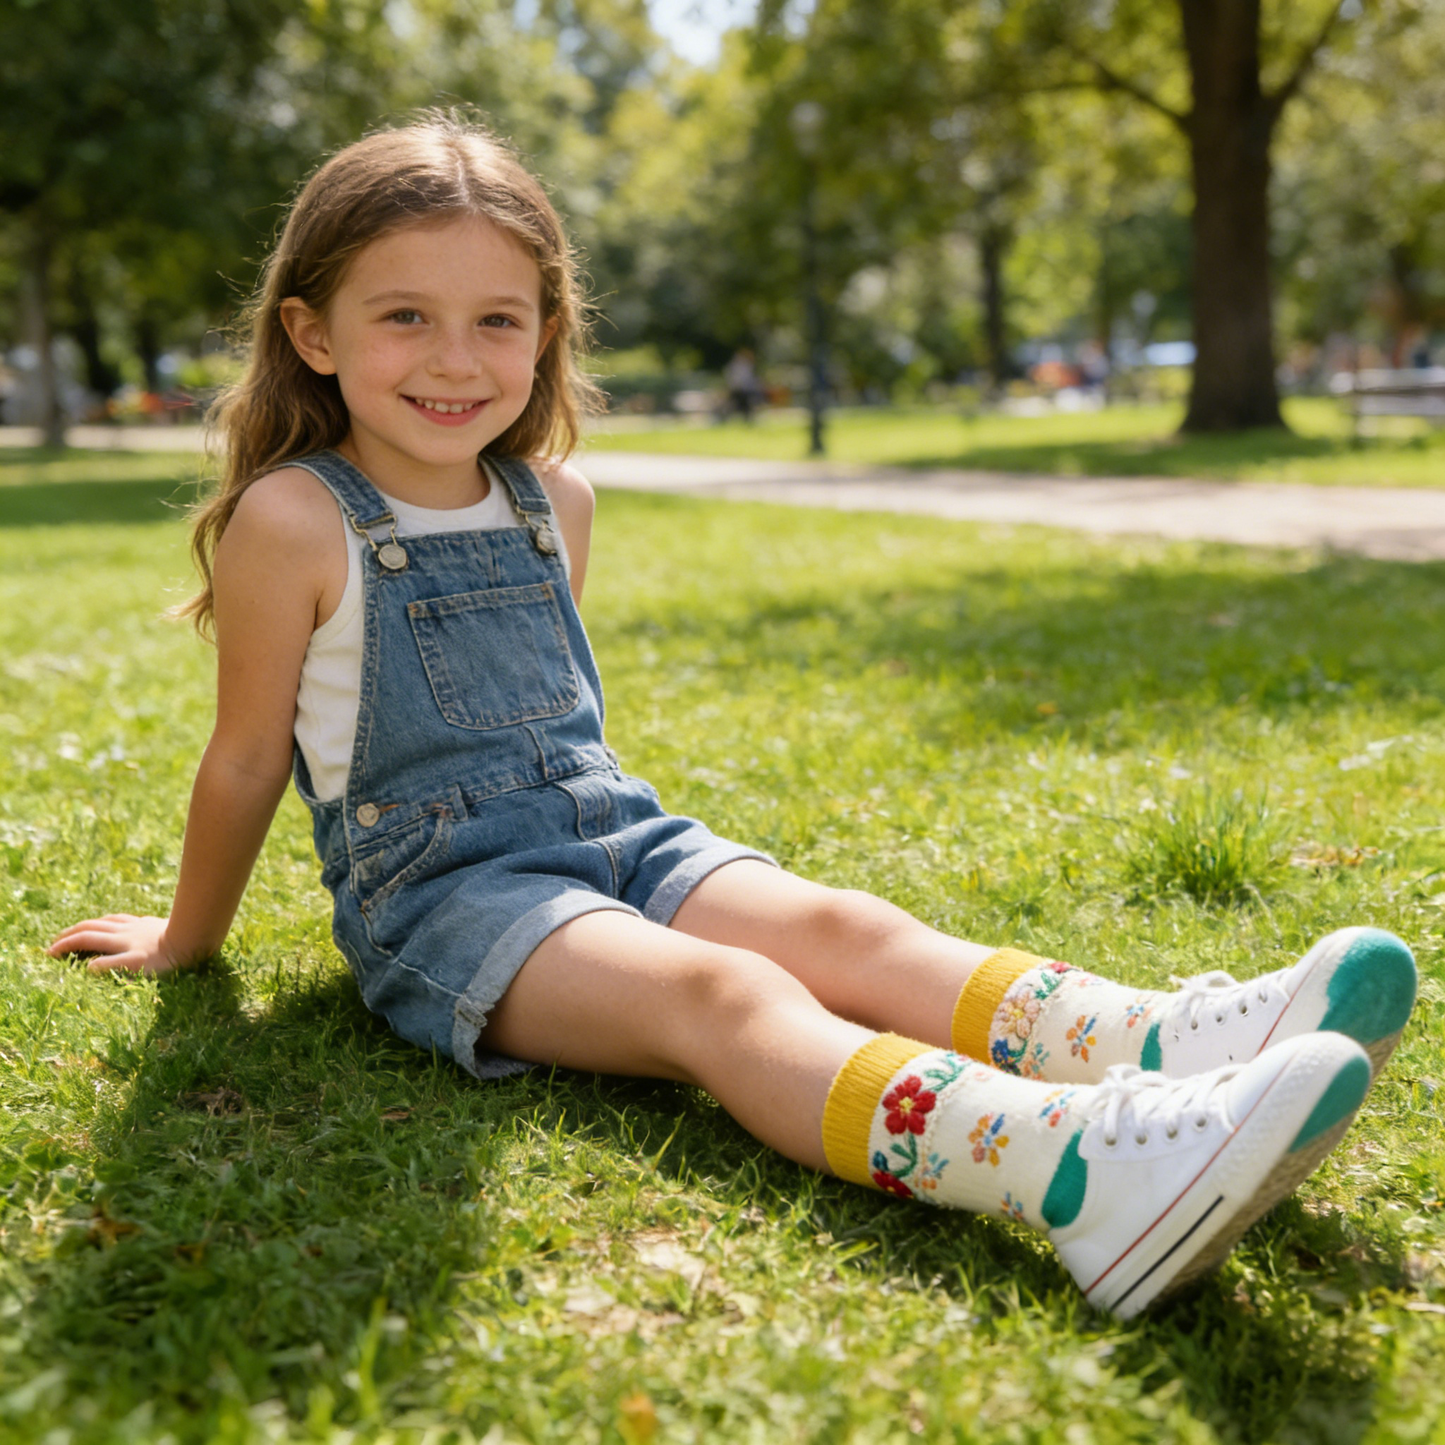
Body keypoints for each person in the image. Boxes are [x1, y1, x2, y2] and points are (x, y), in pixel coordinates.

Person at [47, 116, 1418, 1320]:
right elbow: (243, 761)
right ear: (313, 332)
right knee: (727, 996)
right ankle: (1074, 1170)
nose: (455, 358)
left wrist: (641, 873)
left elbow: (557, 728)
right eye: (403, 316)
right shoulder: (293, 519)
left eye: (498, 319)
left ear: (549, 326)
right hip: (449, 903)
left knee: (845, 928)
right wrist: (188, 942)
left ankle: (1161, 1046)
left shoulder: (552, 503)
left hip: (613, 833)